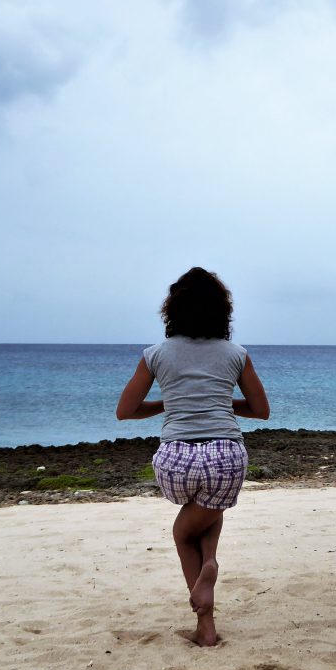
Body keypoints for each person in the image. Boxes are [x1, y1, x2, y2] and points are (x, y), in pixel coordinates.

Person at [116, 267, 269, 647]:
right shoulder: (236, 354)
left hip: (176, 457)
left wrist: (170, 402)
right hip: (225, 455)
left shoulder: (155, 355)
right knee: (207, 510)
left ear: (173, 310)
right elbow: (260, 409)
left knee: (186, 530)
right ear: (222, 311)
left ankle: (206, 625)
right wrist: (218, 401)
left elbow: (126, 411)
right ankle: (211, 564)